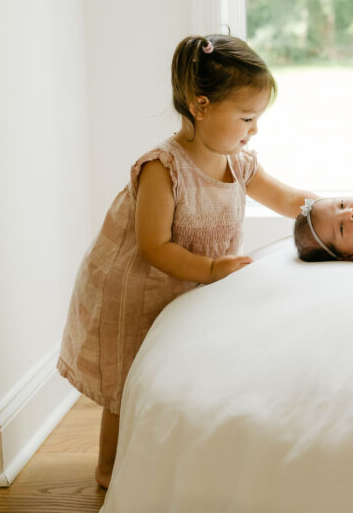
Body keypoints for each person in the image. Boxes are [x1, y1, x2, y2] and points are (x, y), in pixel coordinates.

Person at [57, 34, 317, 488]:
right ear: (201, 107)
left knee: (179, 371)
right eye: (247, 118)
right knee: (128, 384)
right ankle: (108, 468)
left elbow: (286, 197)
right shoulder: (163, 168)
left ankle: (169, 456)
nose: (253, 130)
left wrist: (329, 208)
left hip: (189, 287)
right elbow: (154, 245)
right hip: (137, 288)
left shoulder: (237, 162)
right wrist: (214, 270)